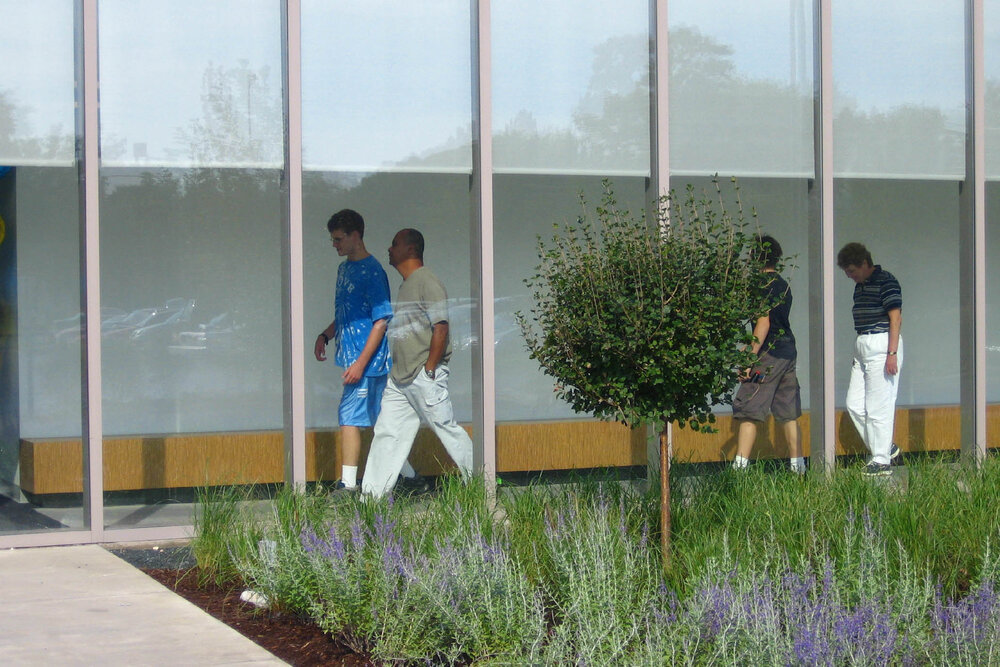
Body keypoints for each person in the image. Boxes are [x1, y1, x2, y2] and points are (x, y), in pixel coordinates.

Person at [360, 228, 474, 498]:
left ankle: (484, 484)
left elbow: (441, 327)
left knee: (446, 428)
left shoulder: (427, 281)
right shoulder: (406, 284)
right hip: (400, 379)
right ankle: (371, 501)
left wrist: (431, 369)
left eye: (394, 244)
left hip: (423, 375)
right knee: (387, 433)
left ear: (410, 249)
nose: (389, 249)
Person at [313, 209, 394, 491]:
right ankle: (408, 476)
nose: (335, 245)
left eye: (338, 239)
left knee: (350, 416)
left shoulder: (373, 272)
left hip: (366, 362)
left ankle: (347, 485)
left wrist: (360, 363)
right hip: (352, 357)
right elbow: (349, 312)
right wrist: (327, 333)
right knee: (379, 420)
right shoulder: (344, 269)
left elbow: (380, 321)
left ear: (355, 236)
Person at [731, 235, 804, 474]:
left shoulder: (760, 285)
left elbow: (763, 323)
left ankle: (739, 470)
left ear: (754, 257)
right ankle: (798, 467)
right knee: (787, 412)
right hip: (787, 351)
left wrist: (750, 357)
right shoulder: (783, 284)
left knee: (749, 408)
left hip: (768, 352)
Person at [837, 242, 904, 477]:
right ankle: (886, 447)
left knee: (878, 406)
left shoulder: (886, 281)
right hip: (863, 342)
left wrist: (892, 353)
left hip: (882, 342)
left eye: (852, 271)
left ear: (865, 264)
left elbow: (895, 318)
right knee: (854, 404)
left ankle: (881, 459)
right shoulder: (860, 286)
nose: (850, 276)